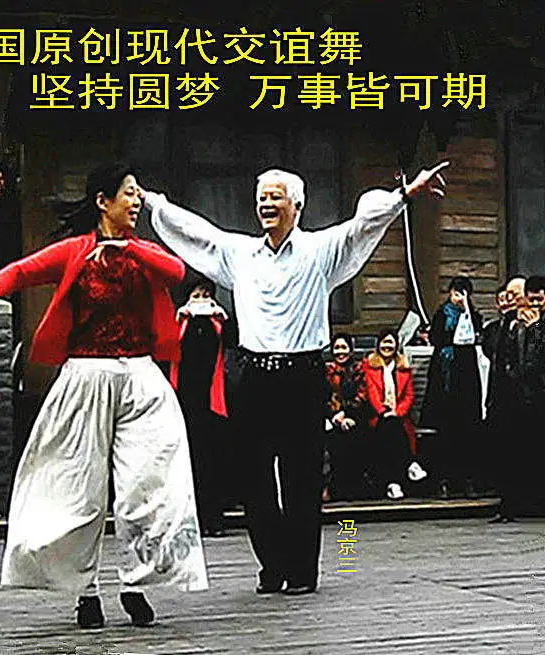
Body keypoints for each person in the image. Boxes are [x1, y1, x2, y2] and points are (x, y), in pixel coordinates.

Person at [141, 160, 448, 595]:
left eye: (275, 196)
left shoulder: (320, 251)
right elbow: (197, 233)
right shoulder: (239, 254)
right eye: (261, 197)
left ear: (297, 206)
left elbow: (361, 226)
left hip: (302, 376)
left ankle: (302, 571)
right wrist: (151, 202)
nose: (266, 203)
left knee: (302, 477)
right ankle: (273, 565)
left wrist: (404, 195)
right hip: (253, 376)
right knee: (253, 477)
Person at [0, 162, 207, 630]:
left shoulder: (144, 252)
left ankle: (135, 583)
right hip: (86, 376)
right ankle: (85, 591)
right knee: (77, 488)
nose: (136, 201)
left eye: (137, 193)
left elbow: (175, 271)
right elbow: (19, 272)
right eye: (128, 193)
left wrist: (125, 246)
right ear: (102, 201)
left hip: (141, 377)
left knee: (150, 483)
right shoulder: (75, 251)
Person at [170, 277, 229, 537]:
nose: (202, 299)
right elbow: (168, 349)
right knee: (185, 461)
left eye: (206, 294)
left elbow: (233, 342)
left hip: (212, 402)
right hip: (186, 401)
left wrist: (222, 319)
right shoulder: (181, 322)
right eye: (197, 295)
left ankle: (212, 518)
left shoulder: (218, 323)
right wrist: (180, 319)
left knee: (212, 461)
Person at [420, 276, 484, 499]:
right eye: (455, 292)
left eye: (462, 292)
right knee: (444, 430)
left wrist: (466, 310)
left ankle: (467, 480)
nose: (457, 297)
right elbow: (436, 338)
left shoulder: (473, 315)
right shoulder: (442, 313)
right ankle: (443, 480)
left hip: (466, 374)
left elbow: (477, 335)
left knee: (467, 429)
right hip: (445, 373)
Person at [498, 275, 545, 518]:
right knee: (515, 451)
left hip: (538, 393)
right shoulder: (510, 321)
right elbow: (502, 354)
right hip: (514, 395)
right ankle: (514, 503)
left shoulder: (539, 323)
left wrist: (535, 327)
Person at [363, 329, 426, 500]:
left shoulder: (403, 368)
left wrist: (397, 412)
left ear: (396, 346)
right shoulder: (369, 366)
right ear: (378, 345)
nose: (387, 346)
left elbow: (409, 396)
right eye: (384, 342)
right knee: (389, 427)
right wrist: (384, 412)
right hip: (377, 417)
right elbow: (371, 393)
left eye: (390, 342)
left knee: (392, 429)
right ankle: (410, 464)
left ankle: (393, 484)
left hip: (399, 418)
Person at [483, 276, 526, 522]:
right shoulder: (502, 325)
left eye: (514, 295)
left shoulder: (533, 324)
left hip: (523, 397)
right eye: (506, 296)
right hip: (500, 396)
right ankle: (506, 502)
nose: (509, 300)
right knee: (503, 451)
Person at [324, 333, 369, 501]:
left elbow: (362, 395)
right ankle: (335, 488)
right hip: (332, 418)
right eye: (337, 348)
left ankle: (354, 488)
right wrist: (335, 416)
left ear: (350, 350)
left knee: (353, 435)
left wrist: (348, 414)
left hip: (356, 416)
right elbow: (323, 397)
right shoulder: (327, 371)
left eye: (344, 347)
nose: (340, 352)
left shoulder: (358, 370)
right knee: (334, 438)